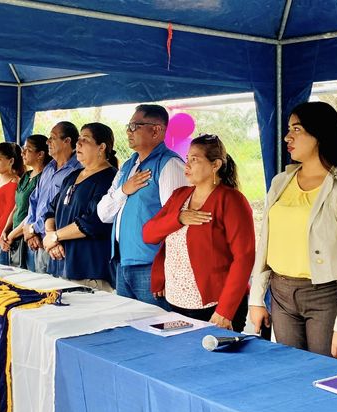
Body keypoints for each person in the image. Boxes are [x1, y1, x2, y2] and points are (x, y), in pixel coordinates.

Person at [249, 101, 337, 362]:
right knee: (290, 371)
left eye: (297, 129)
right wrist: (256, 298)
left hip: (325, 296)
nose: (287, 137)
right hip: (281, 293)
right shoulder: (281, 182)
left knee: (325, 373)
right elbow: (265, 244)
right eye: (289, 129)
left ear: (320, 135)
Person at [143, 134, 255, 331]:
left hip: (215, 306)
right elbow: (148, 234)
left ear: (215, 165)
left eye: (194, 159)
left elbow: (244, 257)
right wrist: (178, 218)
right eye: (187, 158)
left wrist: (225, 311)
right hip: (176, 300)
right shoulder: (179, 195)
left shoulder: (231, 200)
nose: (187, 165)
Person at [97, 104, 187, 308]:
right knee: (128, 323)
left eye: (135, 126)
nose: (129, 132)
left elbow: (177, 223)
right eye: (128, 126)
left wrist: (165, 271)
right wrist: (124, 190)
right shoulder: (128, 165)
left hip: (152, 266)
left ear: (156, 130)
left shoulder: (169, 164)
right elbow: (103, 213)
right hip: (123, 262)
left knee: (157, 323)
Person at [43, 123, 118, 291]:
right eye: (78, 139)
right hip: (60, 264)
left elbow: (93, 222)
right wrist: (50, 236)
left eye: (85, 139)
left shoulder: (109, 179)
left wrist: (55, 236)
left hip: (88, 270)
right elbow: (51, 210)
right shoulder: (72, 176)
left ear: (101, 147)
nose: (78, 144)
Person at [22, 122, 82, 273]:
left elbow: (60, 209)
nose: (48, 141)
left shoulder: (78, 170)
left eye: (53, 138)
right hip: (38, 240)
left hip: (58, 244)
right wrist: (29, 227)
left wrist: (34, 228)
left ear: (67, 141)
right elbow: (34, 199)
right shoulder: (49, 168)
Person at [0, 134, 52, 270]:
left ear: (40, 154)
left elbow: (34, 213)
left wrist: (12, 235)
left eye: (28, 149)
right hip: (15, 236)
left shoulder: (44, 178)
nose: (22, 153)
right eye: (23, 149)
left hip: (31, 237)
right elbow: (17, 207)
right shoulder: (26, 176)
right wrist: (5, 231)